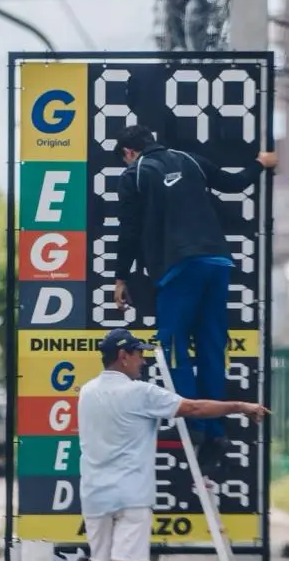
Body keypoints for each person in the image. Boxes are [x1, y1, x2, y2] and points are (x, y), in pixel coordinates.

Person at [78, 328, 269, 561]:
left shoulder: (87, 393)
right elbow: (194, 407)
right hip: (132, 493)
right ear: (123, 356)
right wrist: (241, 405)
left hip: (94, 491)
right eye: (138, 354)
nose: (143, 360)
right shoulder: (140, 393)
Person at [111, 124, 277, 477]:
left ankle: (194, 422)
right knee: (210, 349)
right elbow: (234, 185)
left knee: (172, 345)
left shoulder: (134, 174)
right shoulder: (189, 159)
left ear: (129, 152)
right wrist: (260, 164)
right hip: (217, 263)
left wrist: (121, 277)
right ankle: (217, 433)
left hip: (178, 267)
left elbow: (128, 232)